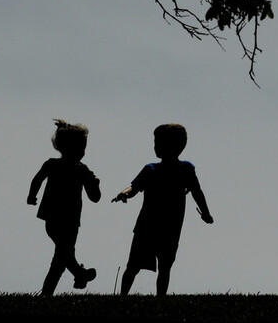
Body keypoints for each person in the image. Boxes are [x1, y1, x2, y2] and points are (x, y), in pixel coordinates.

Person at [112, 123, 213, 296]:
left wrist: (205, 212)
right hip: (147, 226)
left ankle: (160, 300)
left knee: (164, 267)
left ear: (177, 146)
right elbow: (134, 187)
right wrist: (124, 193)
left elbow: (197, 191)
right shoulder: (150, 169)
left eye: (160, 143)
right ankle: (122, 297)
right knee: (133, 266)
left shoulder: (186, 169)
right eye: (156, 142)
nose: (156, 147)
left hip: (170, 227)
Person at [27, 119, 101, 295]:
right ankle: (78, 274)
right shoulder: (58, 166)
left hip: (65, 220)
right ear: (63, 147)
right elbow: (38, 179)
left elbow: (95, 197)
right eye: (79, 147)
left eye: (83, 148)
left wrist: (95, 185)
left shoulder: (79, 169)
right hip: (57, 218)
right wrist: (31, 195)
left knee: (61, 258)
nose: (82, 152)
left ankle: (54, 290)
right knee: (63, 255)